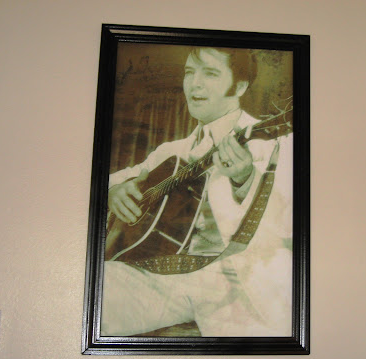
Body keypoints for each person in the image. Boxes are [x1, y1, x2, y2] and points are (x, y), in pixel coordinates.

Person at [101, 47, 293, 337]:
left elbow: (291, 223)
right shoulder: (171, 152)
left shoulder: (273, 142)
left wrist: (245, 180)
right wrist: (114, 191)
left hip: (236, 282)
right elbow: (103, 183)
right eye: (190, 73)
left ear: (239, 86)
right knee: (91, 288)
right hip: (159, 276)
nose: (195, 84)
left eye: (210, 73)